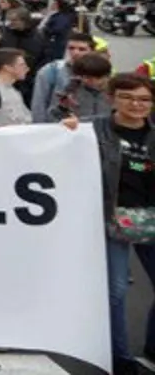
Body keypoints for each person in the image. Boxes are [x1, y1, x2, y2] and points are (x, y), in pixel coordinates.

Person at [91, 73, 155, 375]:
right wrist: (64, 131)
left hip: (151, 220)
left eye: (144, 99)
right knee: (115, 291)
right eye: (128, 97)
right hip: (109, 220)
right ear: (112, 98)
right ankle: (119, 357)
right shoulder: (91, 129)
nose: (136, 104)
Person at [31, 32, 95, 123]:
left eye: (82, 49)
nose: (75, 52)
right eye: (71, 48)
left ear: (92, 51)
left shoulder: (99, 71)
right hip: (57, 127)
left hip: (88, 127)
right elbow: (39, 104)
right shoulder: (51, 70)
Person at [49, 52, 112, 123]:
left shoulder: (114, 92)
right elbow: (54, 116)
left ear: (106, 76)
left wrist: (81, 120)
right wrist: (62, 107)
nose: (85, 80)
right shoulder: (71, 89)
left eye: (90, 78)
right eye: (82, 77)